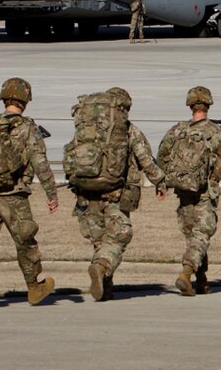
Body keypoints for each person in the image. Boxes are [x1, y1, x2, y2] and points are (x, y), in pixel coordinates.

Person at [0, 77, 58, 308]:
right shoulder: (27, 127)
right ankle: (34, 287)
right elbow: (40, 162)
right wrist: (51, 193)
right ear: (25, 100)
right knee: (26, 242)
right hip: (15, 195)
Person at [71, 87, 166, 302]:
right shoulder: (128, 130)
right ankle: (101, 266)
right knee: (121, 234)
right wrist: (160, 181)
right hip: (115, 194)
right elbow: (146, 161)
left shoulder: (86, 131)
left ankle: (105, 289)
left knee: (100, 241)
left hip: (86, 194)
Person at [158, 86, 221, 297]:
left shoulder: (177, 130)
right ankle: (186, 272)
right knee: (201, 235)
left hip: (183, 193)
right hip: (204, 192)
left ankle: (200, 280)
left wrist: (165, 183)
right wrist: (214, 176)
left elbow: (162, 157)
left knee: (193, 236)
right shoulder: (215, 132)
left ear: (190, 105)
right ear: (208, 105)